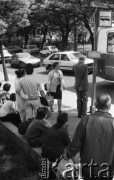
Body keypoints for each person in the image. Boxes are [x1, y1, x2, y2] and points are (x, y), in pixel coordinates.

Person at [64, 93, 114, 180]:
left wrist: (67, 155)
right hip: (107, 169)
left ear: (95, 105)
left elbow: (76, 143)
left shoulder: (86, 119)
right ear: (109, 107)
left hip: (88, 167)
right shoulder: (112, 123)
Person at [42, 112, 70, 180]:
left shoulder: (53, 127)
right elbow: (68, 144)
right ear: (65, 122)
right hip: (54, 157)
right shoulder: (63, 131)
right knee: (72, 161)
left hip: (45, 154)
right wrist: (66, 129)